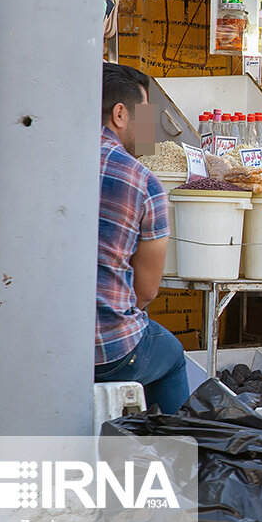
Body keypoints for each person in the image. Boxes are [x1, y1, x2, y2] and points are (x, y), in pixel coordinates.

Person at [94, 63, 189, 415]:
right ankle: (178, 459)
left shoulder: (44, 161)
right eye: (146, 114)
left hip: (39, 340)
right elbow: (146, 292)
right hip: (108, 349)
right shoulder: (143, 180)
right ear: (120, 114)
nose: (150, 127)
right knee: (172, 354)